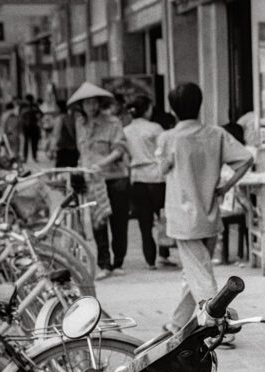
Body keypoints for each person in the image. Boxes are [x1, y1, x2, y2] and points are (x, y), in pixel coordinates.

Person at [156, 82, 252, 332]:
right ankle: (177, 322)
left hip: (182, 216)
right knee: (196, 270)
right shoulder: (217, 134)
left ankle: (219, 321)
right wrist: (225, 187)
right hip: (209, 213)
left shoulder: (169, 138)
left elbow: (161, 170)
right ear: (200, 105)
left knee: (199, 272)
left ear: (173, 109)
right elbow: (245, 159)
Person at [69, 82, 131, 279]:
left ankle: (118, 261)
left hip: (115, 178)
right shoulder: (80, 124)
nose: (91, 107)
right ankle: (104, 263)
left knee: (119, 222)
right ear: (81, 106)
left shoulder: (112, 123)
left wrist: (102, 164)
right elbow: (83, 151)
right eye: (87, 103)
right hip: (93, 181)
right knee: (98, 222)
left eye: (94, 102)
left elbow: (120, 149)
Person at [124, 95, 175, 270]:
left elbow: (125, 156)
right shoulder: (155, 128)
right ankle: (164, 253)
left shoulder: (126, 130)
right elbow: (165, 152)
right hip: (156, 177)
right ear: (147, 109)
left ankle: (150, 261)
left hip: (137, 178)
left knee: (144, 223)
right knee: (162, 217)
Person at [19, 94, 42, 162]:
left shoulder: (34, 106)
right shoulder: (23, 106)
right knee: (26, 143)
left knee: (33, 143)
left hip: (33, 126)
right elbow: (20, 115)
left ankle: (33, 157)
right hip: (27, 126)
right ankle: (25, 158)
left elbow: (41, 114)